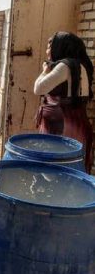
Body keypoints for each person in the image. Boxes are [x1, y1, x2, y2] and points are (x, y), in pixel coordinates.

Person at [34, 31, 94, 173]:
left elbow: (38, 88)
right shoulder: (83, 65)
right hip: (77, 123)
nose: (47, 51)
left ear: (60, 47)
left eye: (50, 47)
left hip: (61, 127)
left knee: (55, 171)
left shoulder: (64, 67)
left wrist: (44, 71)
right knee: (73, 170)